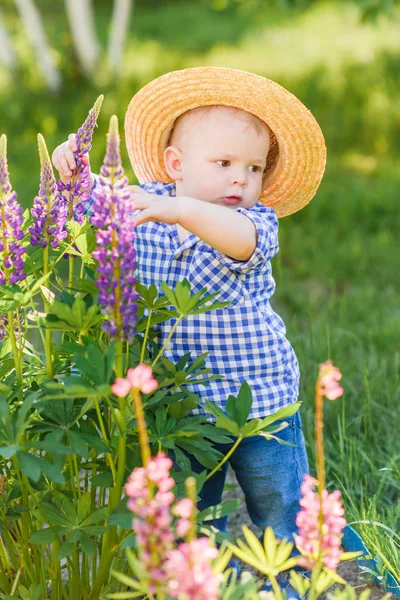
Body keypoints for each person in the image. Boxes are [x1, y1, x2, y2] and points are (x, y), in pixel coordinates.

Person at [52, 67, 326, 589]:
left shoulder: (253, 220)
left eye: (253, 168)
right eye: (223, 163)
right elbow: (91, 207)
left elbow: (241, 240)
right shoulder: (151, 204)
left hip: (260, 403)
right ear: (175, 164)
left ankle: (298, 582)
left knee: (280, 504)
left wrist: (181, 209)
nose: (240, 179)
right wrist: (72, 173)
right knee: (192, 520)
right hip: (181, 411)